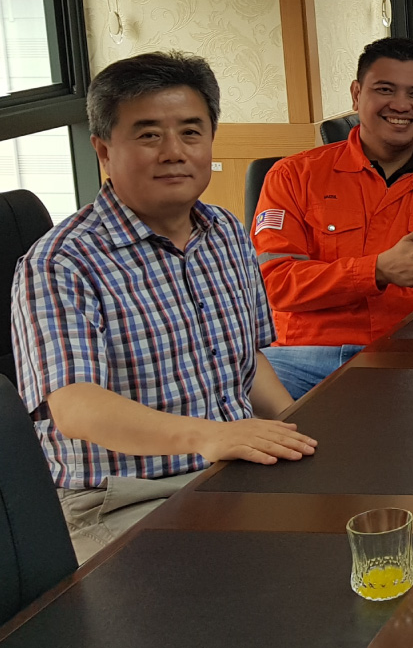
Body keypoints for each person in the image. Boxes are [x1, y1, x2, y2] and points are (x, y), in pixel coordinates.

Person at [11, 52, 316, 562]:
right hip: (121, 500)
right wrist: (210, 437)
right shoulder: (60, 262)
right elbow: (74, 406)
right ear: (103, 150)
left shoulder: (224, 231)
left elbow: (248, 361)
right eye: (149, 135)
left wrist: (295, 431)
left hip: (230, 475)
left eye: (191, 133)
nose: (174, 152)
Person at [253, 38, 413, 398]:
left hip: (406, 355)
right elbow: (275, 284)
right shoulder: (292, 176)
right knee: (228, 400)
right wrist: (375, 271)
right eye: (385, 90)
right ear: (356, 94)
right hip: (302, 356)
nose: (401, 105)